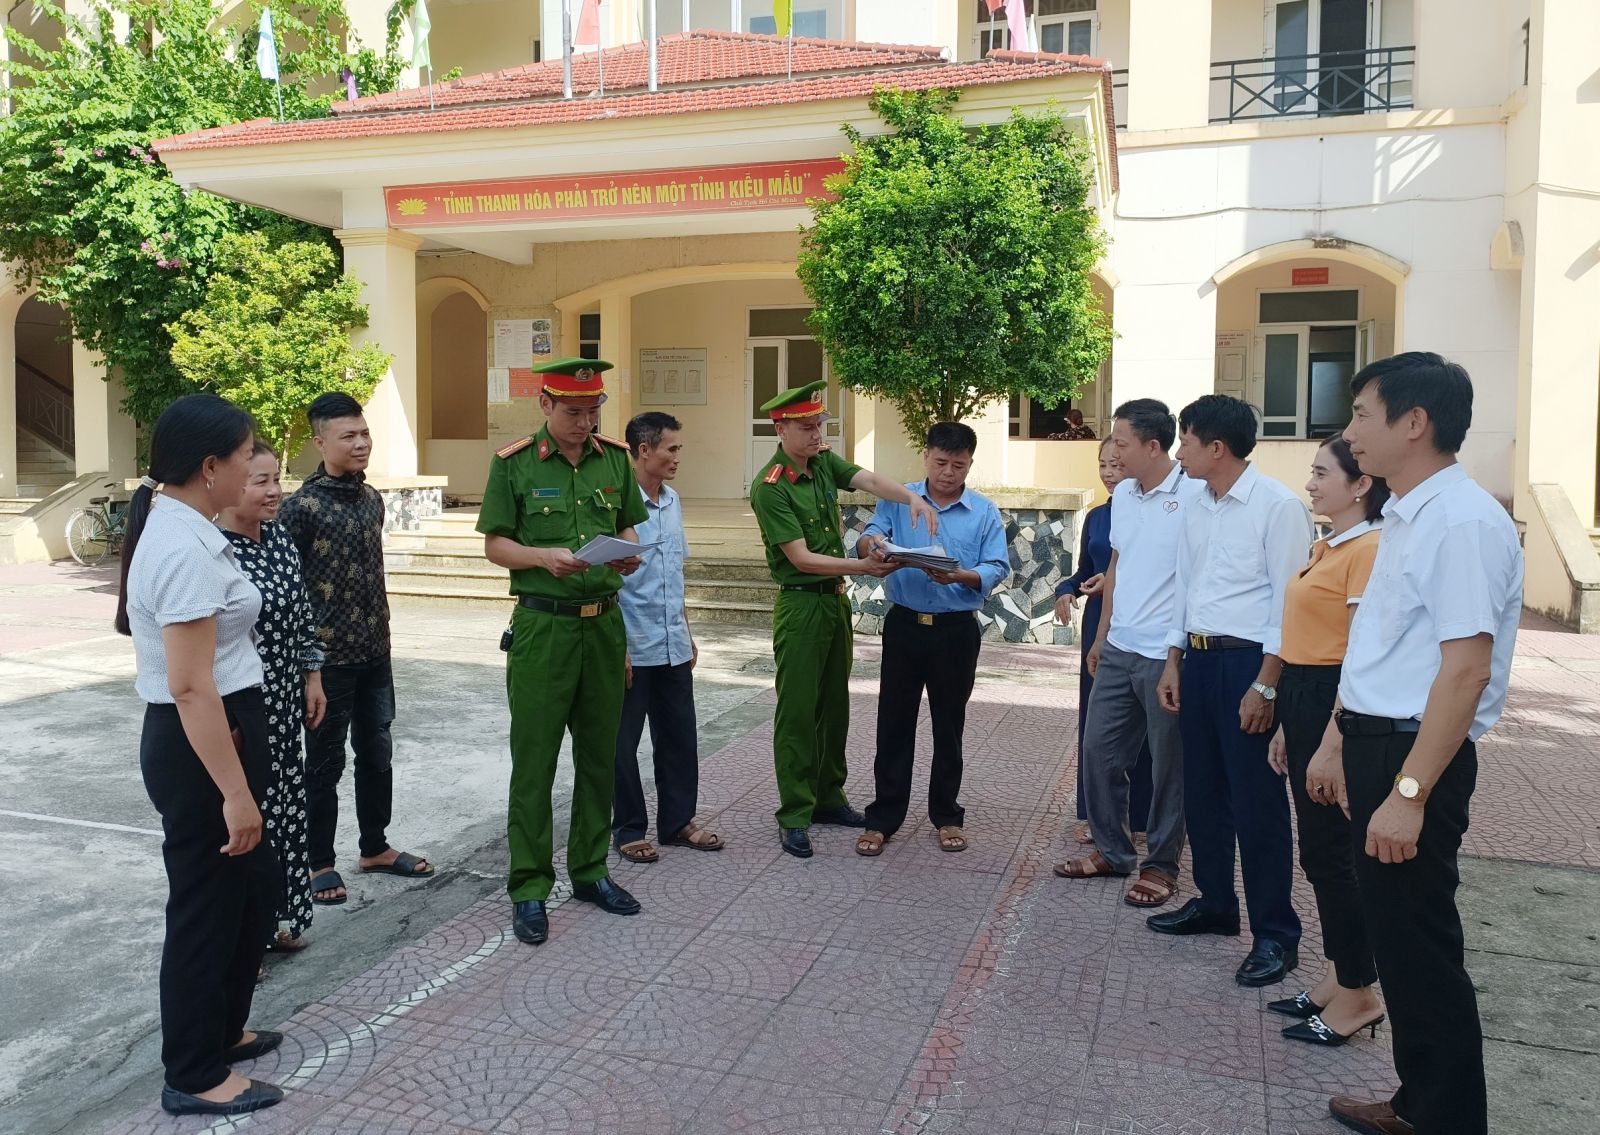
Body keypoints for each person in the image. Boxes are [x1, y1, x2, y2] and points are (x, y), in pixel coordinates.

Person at [1312, 353, 1521, 1135]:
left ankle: (1447, 1118)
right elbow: (1384, 648)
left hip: (1414, 757)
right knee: (1400, 942)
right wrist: (1339, 742)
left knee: (1422, 947)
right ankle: (1419, 1101)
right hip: (1380, 743)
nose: (1350, 431)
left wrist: (1408, 793)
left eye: (1363, 413)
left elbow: (1465, 671)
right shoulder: (1407, 514)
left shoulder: (1462, 522)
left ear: (1414, 422)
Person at [116, 394, 284, 1117]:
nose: (256, 468)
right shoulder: (183, 549)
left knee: (251, 891)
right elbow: (188, 687)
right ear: (211, 467)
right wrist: (235, 794)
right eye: (247, 456)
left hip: (227, 727)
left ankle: (223, 1031)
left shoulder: (192, 531)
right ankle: (192, 1072)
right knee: (206, 907)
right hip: (203, 746)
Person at [477, 359, 649, 946]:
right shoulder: (514, 463)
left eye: (593, 410)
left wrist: (628, 552)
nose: (585, 422)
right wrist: (541, 557)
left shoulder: (614, 459)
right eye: (573, 411)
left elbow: (628, 526)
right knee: (535, 761)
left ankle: (590, 871)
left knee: (600, 756)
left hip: (603, 626)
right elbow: (495, 544)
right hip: (543, 628)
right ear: (546, 405)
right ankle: (529, 887)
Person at [1152, 394, 1312, 986]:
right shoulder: (1196, 504)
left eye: (1186, 441)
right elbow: (1185, 586)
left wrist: (1267, 685)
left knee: (1256, 801)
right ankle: (1216, 902)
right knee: (1203, 791)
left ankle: (1276, 934)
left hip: (1249, 665)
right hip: (1197, 661)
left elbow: (1288, 604)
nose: (1179, 453)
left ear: (1217, 447)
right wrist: (1173, 660)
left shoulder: (1278, 507)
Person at [748, 379, 937, 859]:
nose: (817, 434)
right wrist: (863, 567)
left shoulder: (821, 464)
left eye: (820, 425)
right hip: (801, 604)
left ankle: (828, 798)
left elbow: (868, 481)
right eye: (807, 427)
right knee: (798, 712)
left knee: (834, 707)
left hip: (834, 603)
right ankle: (795, 812)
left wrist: (912, 497)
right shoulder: (770, 487)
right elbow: (801, 558)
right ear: (781, 429)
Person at [279, 393, 432, 906]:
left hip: (375, 652)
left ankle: (375, 847)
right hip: (326, 663)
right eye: (349, 435)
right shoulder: (300, 508)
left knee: (377, 751)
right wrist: (306, 665)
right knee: (324, 763)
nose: (362, 443)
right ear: (320, 442)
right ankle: (318, 862)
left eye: (365, 433)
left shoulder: (371, 499)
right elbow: (289, 593)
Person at [1053, 399, 1200, 909]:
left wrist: (1178, 654)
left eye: (1121, 442)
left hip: (1166, 654)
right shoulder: (1125, 499)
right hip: (1119, 647)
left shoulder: (1195, 494)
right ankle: (1113, 852)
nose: (1112, 452)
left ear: (1152, 446)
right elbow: (1116, 566)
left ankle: (1161, 866)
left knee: (1167, 767)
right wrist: (1101, 636)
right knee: (1098, 751)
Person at [1265, 436, 1388, 1046]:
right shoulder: (1329, 545)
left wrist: (1332, 741)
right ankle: (1342, 976)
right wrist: (1289, 722)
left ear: (1360, 484)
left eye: (1322, 473)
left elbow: (1358, 652)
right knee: (1319, 852)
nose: (1310, 483)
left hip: (1334, 700)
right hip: (1305, 695)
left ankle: (1360, 991)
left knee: (1334, 854)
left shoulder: (1368, 549)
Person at [853, 421, 1009, 857]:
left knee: (949, 724)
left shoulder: (983, 512)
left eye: (958, 465)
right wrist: (875, 546)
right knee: (894, 723)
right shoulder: (900, 498)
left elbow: (998, 565)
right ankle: (883, 818)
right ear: (925, 456)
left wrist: (962, 576)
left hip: (955, 631)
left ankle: (947, 815)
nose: (948, 473)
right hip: (904, 625)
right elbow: (867, 538)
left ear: (970, 464)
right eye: (941, 462)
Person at [219, 443, 328, 955]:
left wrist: (312, 676)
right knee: (247, 818)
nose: (274, 491)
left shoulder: (279, 537)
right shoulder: (215, 552)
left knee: (285, 812)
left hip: (286, 702)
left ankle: (275, 921)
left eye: (276, 479)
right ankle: (242, 940)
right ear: (229, 483)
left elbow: (303, 614)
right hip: (243, 705)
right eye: (260, 481)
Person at [611, 412, 723, 863]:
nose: (678, 457)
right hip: (631, 644)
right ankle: (629, 829)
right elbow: (608, 580)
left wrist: (687, 633)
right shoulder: (615, 503)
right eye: (671, 449)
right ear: (643, 450)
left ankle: (678, 823)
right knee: (622, 744)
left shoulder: (673, 500)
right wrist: (616, 648)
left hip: (672, 641)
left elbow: (673, 572)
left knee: (679, 737)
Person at [1054, 436, 1153, 849]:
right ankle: (1095, 815)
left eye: (1118, 464)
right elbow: (1084, 571)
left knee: (1143, 727)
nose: (1110, 473)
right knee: (1097, 724)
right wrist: (1066, 590)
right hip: (1099, 625)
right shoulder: (1097, 517)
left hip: (1140, 625)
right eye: (1103, 465)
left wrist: (1111, 582)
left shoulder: (1154, 513)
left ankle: (1142, 818)